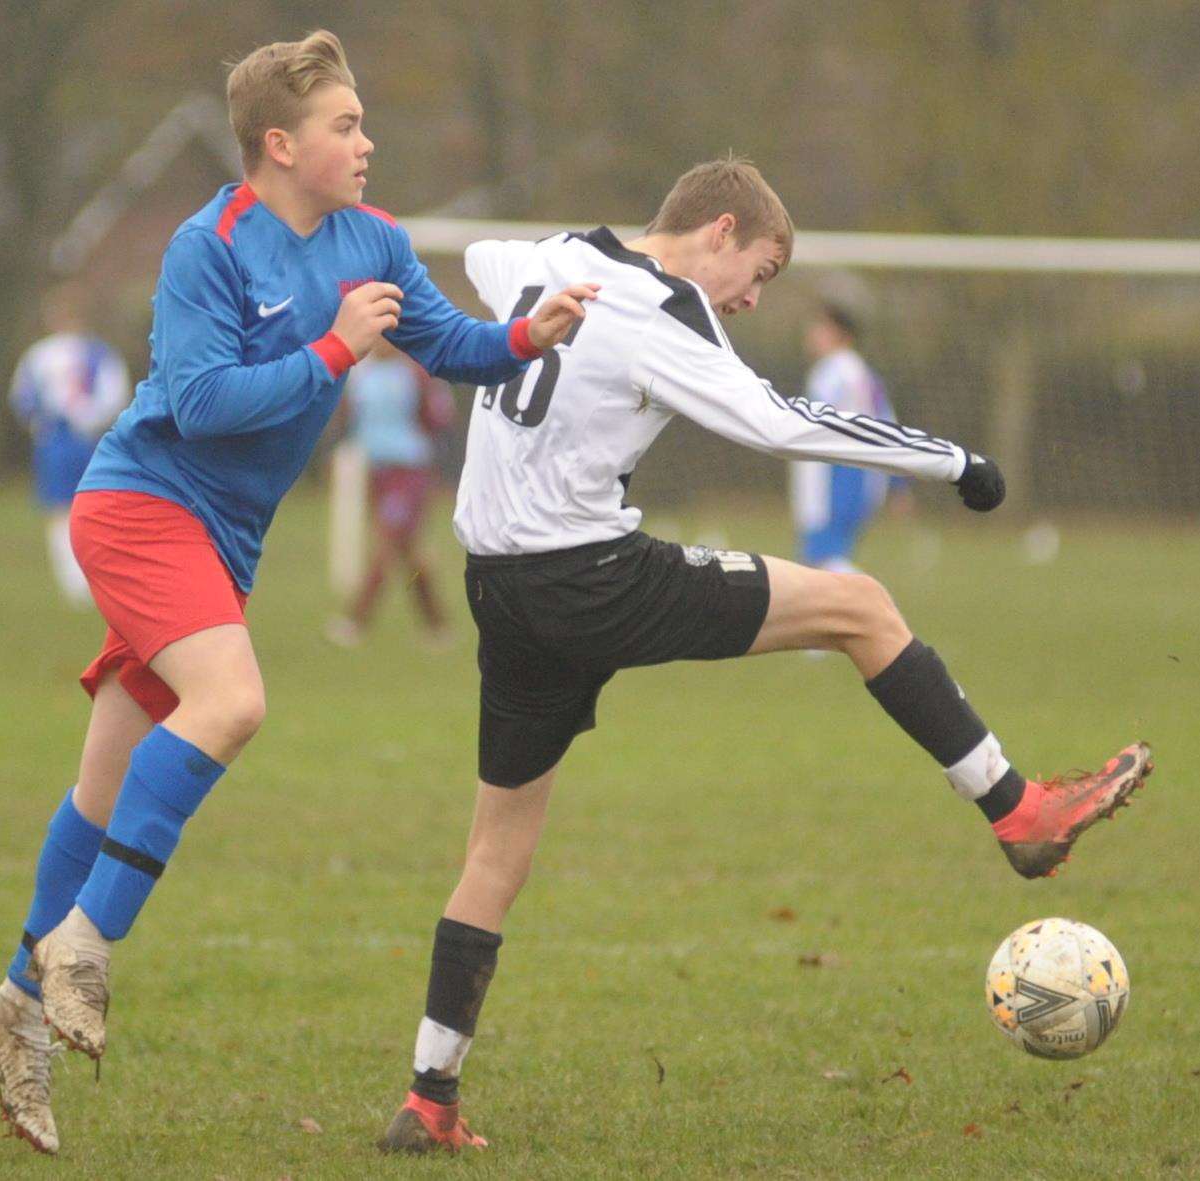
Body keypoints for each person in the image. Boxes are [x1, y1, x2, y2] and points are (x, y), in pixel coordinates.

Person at [377, 157, 1153, 1154]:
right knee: (861, 606)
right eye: (763, 270)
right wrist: (953, 459)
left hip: (500, 585)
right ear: (722, 227)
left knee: (496, 848)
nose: (753, 297)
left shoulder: (550, 256)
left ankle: (429, 1098)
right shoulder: (666, 311)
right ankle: (1020, 812)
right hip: (592, 575)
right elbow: (784, 424)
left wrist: (362, 229)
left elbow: (482, 255)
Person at [0, 30, 597, 1156]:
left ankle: (14, 1008)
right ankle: (85, 945)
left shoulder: (375, 240)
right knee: (234, 701)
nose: (366, 142)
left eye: (362, 123)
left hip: (221, 543)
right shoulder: (208, 246)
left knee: (102, 789)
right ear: (279, 144)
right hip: (142, 504)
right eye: (346, 126)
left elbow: (447, 344)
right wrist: (338, 352)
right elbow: (201, 406)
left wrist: (523, 336)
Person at [327, 336, 456, 646]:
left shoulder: (415, 374)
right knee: (409, 553)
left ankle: (355, 621)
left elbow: (439, 419)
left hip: (408, 471)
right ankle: (436, 626)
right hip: (375, 471)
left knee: (385, 544)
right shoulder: (360, 375)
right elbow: (346, 420)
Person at [8, 286, 131, 606]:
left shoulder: (39, 354)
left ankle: (76, 584)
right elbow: (115, 397)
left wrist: (42, 425)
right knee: (94, 507)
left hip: (62, 439)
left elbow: (23, 399)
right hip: (88, 438)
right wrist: (91, 419)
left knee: (64, 509)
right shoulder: (100, 354)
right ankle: (89, 582)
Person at [789, 298, 910, 572]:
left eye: (819, 327)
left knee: (824, 563)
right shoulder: (859, 372)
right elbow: (888, 422)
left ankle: (865, 607)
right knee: (822, 561)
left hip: (837, 478)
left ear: (838, 333)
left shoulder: (836, 373)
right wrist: (897, 483)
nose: (811, 333)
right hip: (852, 478)